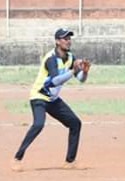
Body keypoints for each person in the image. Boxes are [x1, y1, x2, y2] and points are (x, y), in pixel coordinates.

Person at [11, 28, 91, 171]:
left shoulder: (70, 57)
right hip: (39, 96)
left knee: (75, 123)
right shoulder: (51, 59)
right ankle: (17, 158)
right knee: (38, 124)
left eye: (69, 38)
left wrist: (84, 72)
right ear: (57, 41)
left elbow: (81, 80)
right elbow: (55, 81)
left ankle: (70, 161)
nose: (68, 41)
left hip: (53, 99)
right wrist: (73, 71)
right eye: (65, 39)